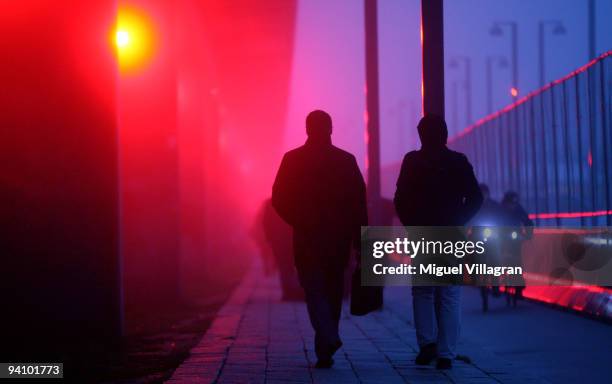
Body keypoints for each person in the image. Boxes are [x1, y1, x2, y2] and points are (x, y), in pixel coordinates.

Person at [272, 110, 367, 368]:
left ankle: (326, 339)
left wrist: (299, 220)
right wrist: (360, 241)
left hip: (307, 239)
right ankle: (326, 344)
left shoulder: (292, 160)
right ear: (331, 128)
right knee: (334, 291)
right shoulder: (346, 161)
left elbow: (278, 198)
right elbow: (359, 204)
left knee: (314, 291)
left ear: (307, 129)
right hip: (338, 240)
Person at [394, 114, 482, 370]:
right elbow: (475, 198)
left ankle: (427, 345)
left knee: (422, 291)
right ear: (445, 135)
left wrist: (411, 225)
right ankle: (446, 354)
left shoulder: (412, 161)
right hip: (450, 234)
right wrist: (459, 220)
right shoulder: (458, 161)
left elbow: (400, 199)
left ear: (420, 135)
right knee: (450, 294)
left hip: (421, 233)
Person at [500, 191, 533, 306]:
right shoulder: (500, 209)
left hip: (515, 238)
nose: (512, 206)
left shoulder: (519, 209)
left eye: (514, 203)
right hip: (501, 237)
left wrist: (528, 235)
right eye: (511, 203)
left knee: (517, 261)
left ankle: (519, 288)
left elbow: (527, 221)